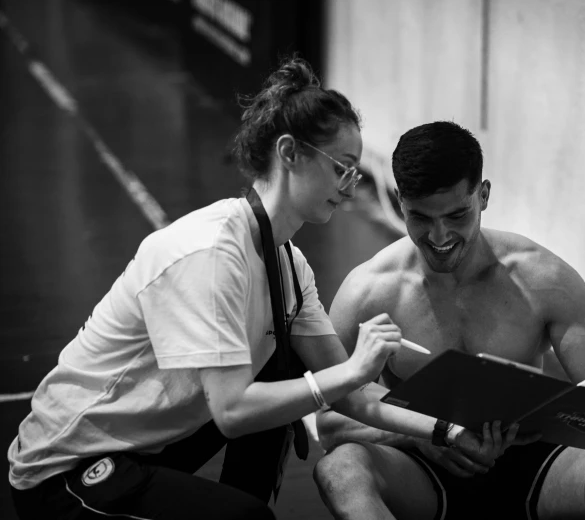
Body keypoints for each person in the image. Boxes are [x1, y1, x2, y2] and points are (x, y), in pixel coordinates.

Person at [6, 61, 501, 520]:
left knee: (282, 367)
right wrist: (349, 371)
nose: (351, 187)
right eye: (342, 168)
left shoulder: (288, 262)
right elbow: (234, 411)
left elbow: (351, 391)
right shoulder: (210, 254)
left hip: (143, 446)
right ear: (289, 153)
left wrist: (446, 429)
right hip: (66, 468)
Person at [313, 121, 585, 520]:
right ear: (400, 203)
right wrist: (422, 434)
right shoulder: (368, 292)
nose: (439, 235)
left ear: (483, 196)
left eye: (456, 215)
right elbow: (328, 422)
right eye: (421, 218)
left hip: (535, 465)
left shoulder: (544, 281)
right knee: (340, 470)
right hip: (422, 467)